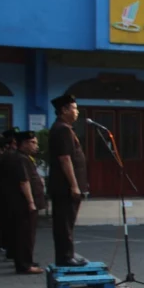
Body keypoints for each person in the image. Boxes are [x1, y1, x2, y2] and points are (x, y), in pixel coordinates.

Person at [47, 94, 88, 267]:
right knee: (64, 224)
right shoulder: (62, 129)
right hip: (64, 187)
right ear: (64, 110)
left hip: (64, 187)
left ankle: (67, 255)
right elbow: (65, 159)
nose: (77, 112)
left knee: (66, 223)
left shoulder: (63, 128)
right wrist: (74, 185)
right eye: (74, 108)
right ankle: (65, 257)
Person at [10, 131, 46, 275]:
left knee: (27, 234)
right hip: (24, 204)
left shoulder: (25, 157)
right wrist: (31, 202)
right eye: (33, 142)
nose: (36, 146)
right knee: (26, 235)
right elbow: (24, 182)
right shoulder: (21, 159)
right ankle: (25, 265)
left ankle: (27, 261)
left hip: (25, 204)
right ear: (24, 144)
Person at [0, 130, 19, 262]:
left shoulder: (9, 156)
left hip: (7, 194)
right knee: (11, 226)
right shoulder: (10, 157)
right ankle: (10, 249)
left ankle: (9, 248)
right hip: (9, 195)